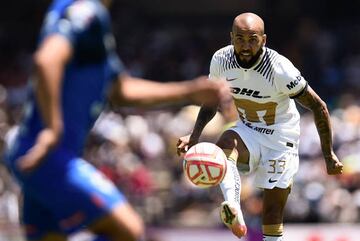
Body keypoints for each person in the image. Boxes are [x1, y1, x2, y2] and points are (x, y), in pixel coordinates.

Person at [3, 0, 231, 241]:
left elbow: (121, 91)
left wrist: (190, 91)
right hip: (50, 156)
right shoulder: (86, 10)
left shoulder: (94, 28)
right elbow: (47, 60)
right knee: (128, 232)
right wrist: (52, 128)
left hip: (35, 156)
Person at [177, 12, 343, 241]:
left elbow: (319, 106)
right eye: (240, 39)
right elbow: (212, 101)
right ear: (231, 37)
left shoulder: (279, 69)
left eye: (252, 39)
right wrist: (194, 136)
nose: (246, 46)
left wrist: (328, 154)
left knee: (272, 213)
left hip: (281, 138)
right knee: (225, 142)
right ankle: (233, 208)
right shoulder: (220, 60)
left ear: (263, 40)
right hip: (249, 130)